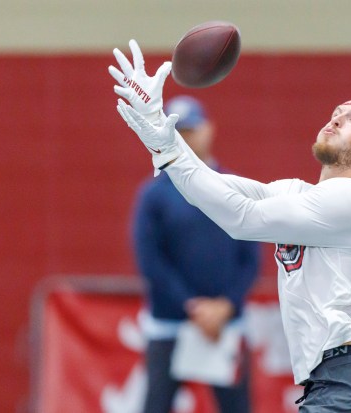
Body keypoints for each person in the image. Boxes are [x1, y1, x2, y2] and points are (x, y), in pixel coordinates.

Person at [109, 39, 351, 413]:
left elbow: (241, 218)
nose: (336, 118)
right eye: (336, 112)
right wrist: (159, 131)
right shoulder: (301, 193)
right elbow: (215, 187)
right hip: (341, 380)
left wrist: (168, 149)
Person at [130, 93, 261, 413]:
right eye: (179, 132)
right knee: (157, 404)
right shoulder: (155, 194)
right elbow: (150, 260)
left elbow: (251, 257)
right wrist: (192, 306)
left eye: (191, 129)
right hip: (170, 324)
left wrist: (225, 305)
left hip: (224, 325)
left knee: (236, 406)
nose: (186, 138)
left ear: (209, 130)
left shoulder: (231, 186)